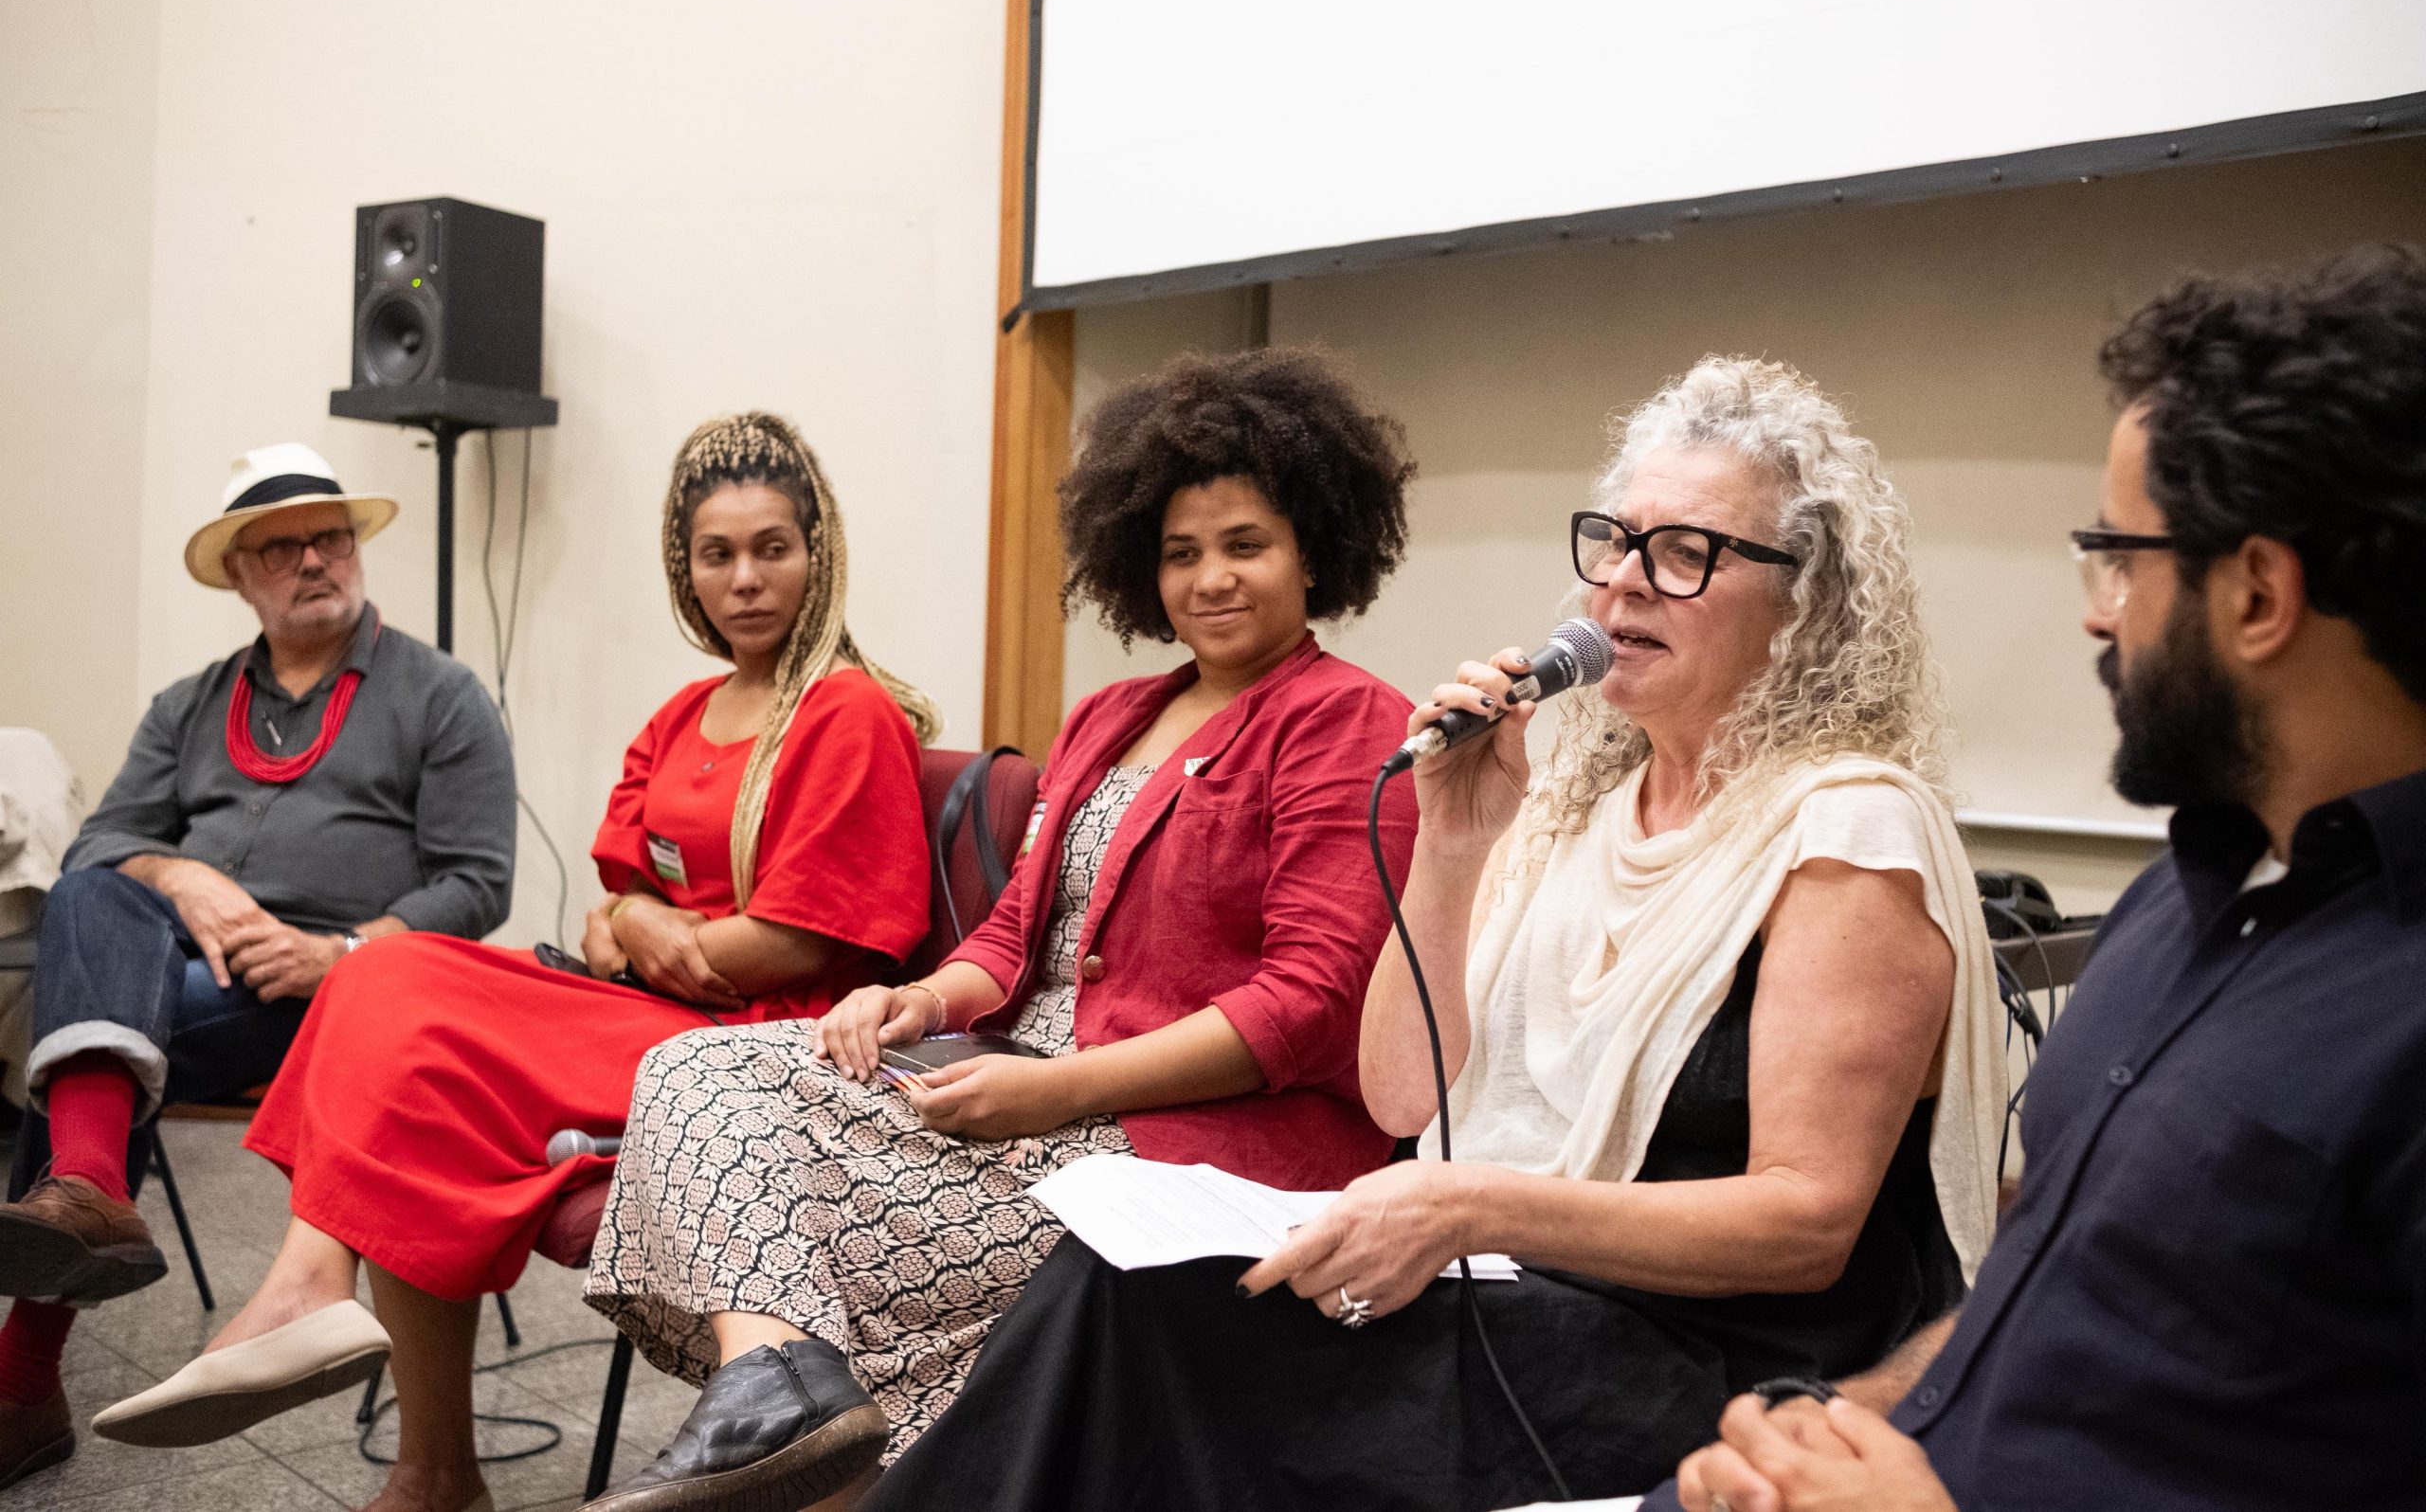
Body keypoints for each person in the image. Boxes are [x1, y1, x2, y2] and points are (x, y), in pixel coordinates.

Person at [864, 356, 2010, 1512]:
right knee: (1121, 1280)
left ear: (1802, 600)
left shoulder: (1846, 832)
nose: (1620, 585)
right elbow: (1405, 1102)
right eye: (1614, 542)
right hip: (1523, 1276)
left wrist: (1467, 1206)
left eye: (1683, 553)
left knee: (1181, 1354)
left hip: (1710, 1353)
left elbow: (1803, 1227)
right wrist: (1455, 846)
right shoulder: (1577, 807)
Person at [576, 347, 1422, 1512]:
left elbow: (1311, 1005)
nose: (1210, 580)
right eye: (1179, 553)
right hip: (1015, 1074)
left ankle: (807, 1439)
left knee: (819, 1224)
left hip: (1190, 1144)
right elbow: (1016, 931)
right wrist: (920, 1002)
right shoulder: (1111, 714)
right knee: (693, 1074)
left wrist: (1060, 1092)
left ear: (1315, 547)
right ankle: (781, 1395)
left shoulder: (1349, 721)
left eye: (1245, 545)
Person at [1659, 247, 2426, 1512]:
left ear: (2257, 593)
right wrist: (1835, 1420)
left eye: (2121, 557)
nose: (2098, 611)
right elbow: (2037, 1306)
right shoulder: (2180, 905)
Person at [88, 413, 938, 1512]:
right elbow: (604, 917)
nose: (745, 580)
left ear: (818, 553)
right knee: (384, 982)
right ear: (683, 569)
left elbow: (798, 940)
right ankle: (414, 1444)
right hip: (647, 1007)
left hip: (755, 1047)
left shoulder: (846, 710)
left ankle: (349, 1350)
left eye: (773, 548)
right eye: (716, 554)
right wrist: (637, 928)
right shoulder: (682, 714)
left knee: (398, 1006)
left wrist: (650, 934)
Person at [0, 442, 516, 1491]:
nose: (315, 560)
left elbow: (476, 885)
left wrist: (339, 952)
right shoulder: (191, 703)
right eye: (280, 548)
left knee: (92, 1040)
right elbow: (103, 842)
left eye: (331, 537)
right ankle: (89, 1188)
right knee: (95, 906)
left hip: (347, 996)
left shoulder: (441, 694)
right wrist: (186, 881)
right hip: (177, 964)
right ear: (240, 577)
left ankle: (24, 1375)